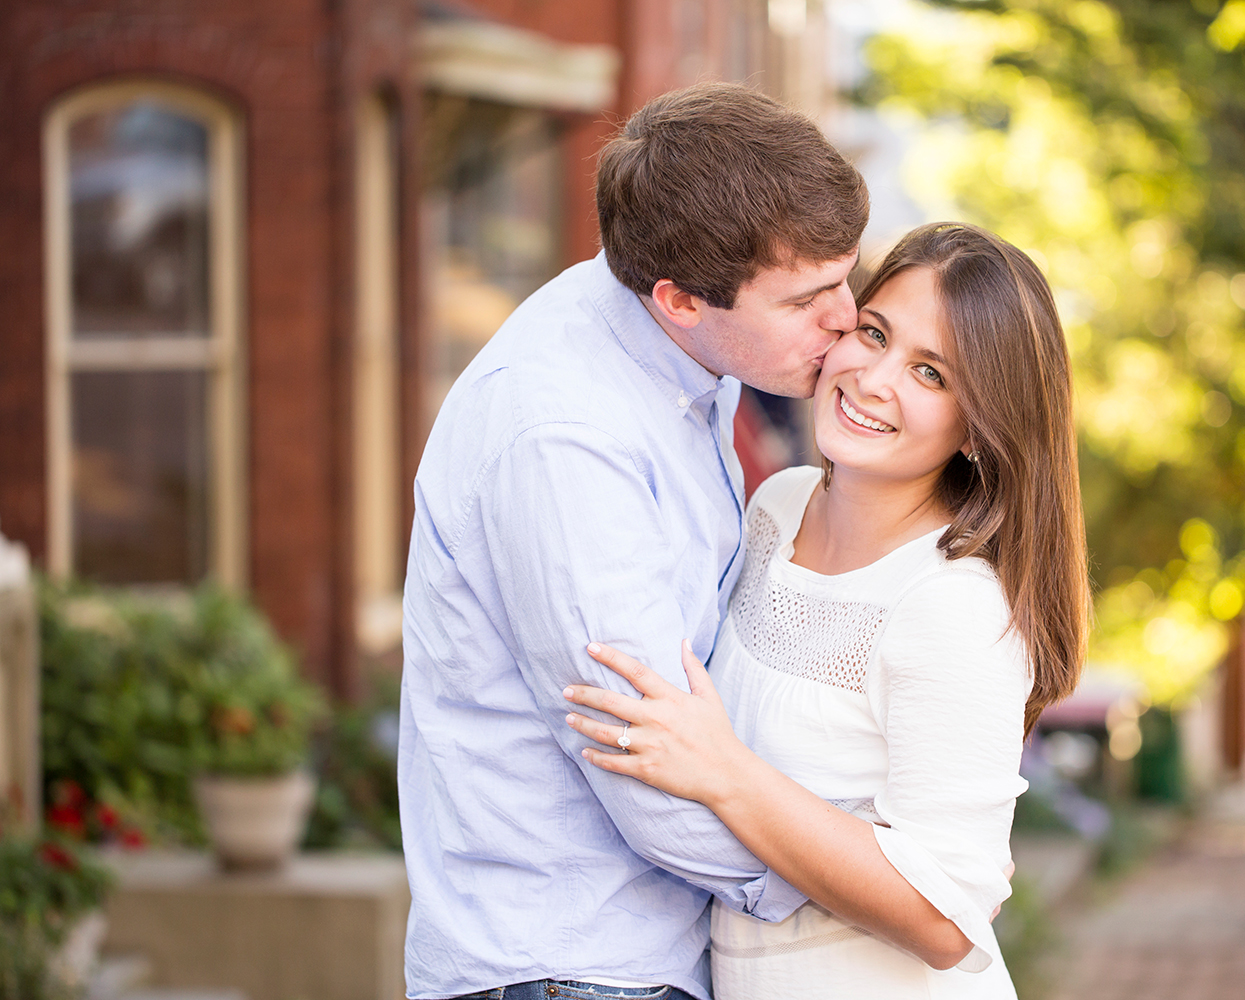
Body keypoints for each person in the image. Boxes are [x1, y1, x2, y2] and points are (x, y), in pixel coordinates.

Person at [397, 82, 868, 1000]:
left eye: (844, 277)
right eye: (809, 298)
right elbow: (647, 769)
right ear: (680, 300)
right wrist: (857, 889)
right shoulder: (569, 443)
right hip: (573, 971)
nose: (845, 317)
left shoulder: (685, 343)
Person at [561, 222, 1092, 1000]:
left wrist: (726, 773)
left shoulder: (953, 607)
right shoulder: (776, 506)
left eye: (932, 374)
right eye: (873, 332)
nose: (875, 379)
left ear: (980, 429)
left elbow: (948, 921)